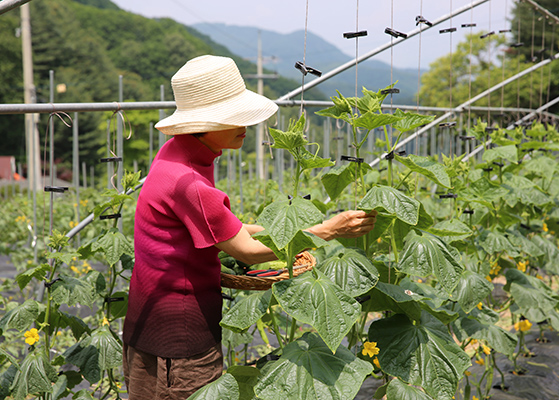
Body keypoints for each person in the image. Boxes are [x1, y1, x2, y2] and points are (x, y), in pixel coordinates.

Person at [122, 55, 377, 400]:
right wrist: (330, 229)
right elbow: (248, 252)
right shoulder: (192, 184)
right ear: (204, 122)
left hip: (148, 317)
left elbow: (219, 229)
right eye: (234, 117)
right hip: (179, 336)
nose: (246, 125)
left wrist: (266, 229)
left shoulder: (175, 154)